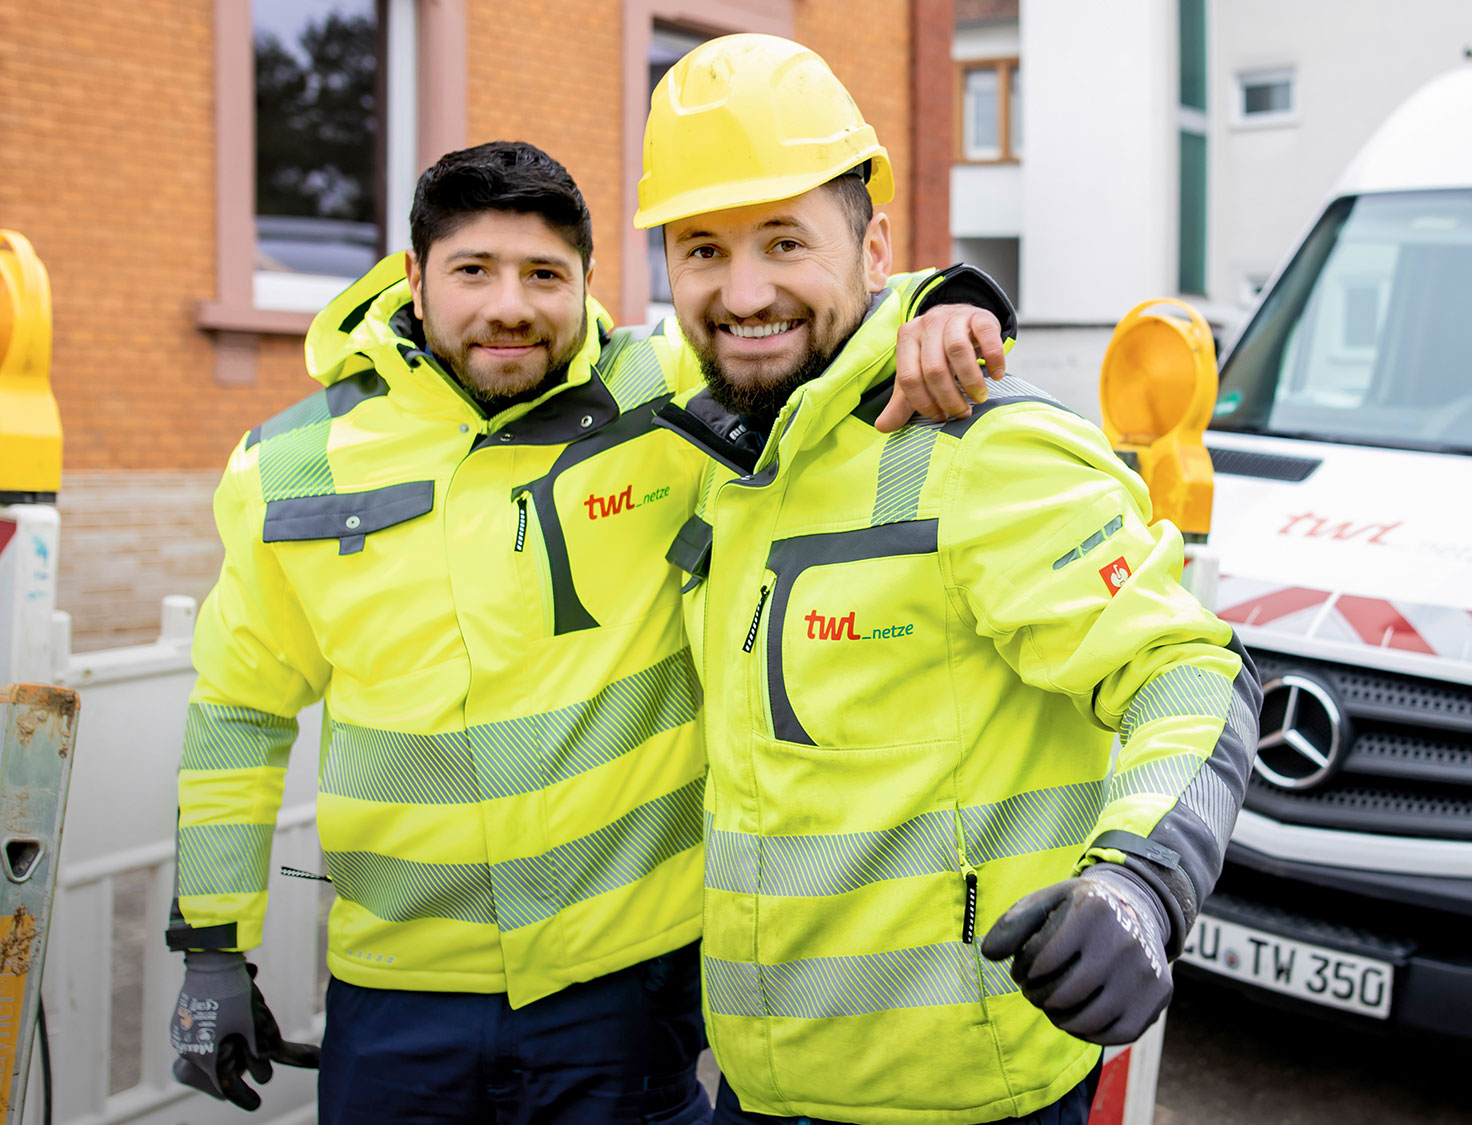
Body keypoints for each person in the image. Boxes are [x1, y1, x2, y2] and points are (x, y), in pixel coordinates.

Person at [166, 140, 1014, 1123]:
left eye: (543, 275)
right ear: (413, 277)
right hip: (397, 992)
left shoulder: (670, 398)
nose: (509, 307)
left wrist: (944, 303)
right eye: (473, 271)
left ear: (587, 282)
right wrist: (212, 952)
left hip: (623, 990)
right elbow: (239, 716)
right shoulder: (289, 464)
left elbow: (794, 325)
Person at [637, 35, 1259, 1125]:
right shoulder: (723, 447)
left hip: (967, 1101)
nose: (742, 291)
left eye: (785, 241)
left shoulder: (979, 446)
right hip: (760, 1086)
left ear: (874, 244)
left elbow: (1189, 673)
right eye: (701, 250)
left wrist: (1140, 884)